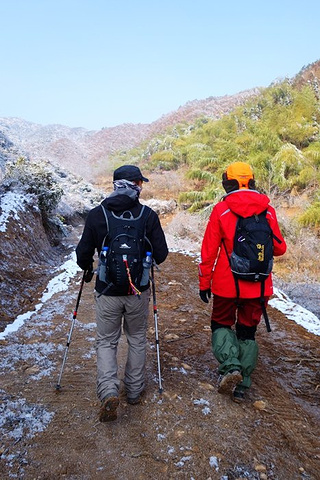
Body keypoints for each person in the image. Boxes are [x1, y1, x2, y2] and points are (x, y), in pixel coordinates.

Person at [76, 165, 168, 421]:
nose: (142, 187)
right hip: (138, 291)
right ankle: (134, 392)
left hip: (107, 291)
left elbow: (82, 253)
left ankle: (108, 392)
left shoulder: (98, 215)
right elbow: (162, 254)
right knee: (137, 338)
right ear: (135, 185)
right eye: (140, 183)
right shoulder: (148, 215)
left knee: (107, 341)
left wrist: (88, 267)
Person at [198, 162, 286, 402]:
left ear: (228, 182)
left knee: (221, 325)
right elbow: (280, 248)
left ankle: (231, 368)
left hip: (227, 284)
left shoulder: (222, 210)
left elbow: (209, 252)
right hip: (259, 286)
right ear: (251, 181)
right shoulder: (268, 210)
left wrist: (204, 282)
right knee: (247, 332)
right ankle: (242, 386)